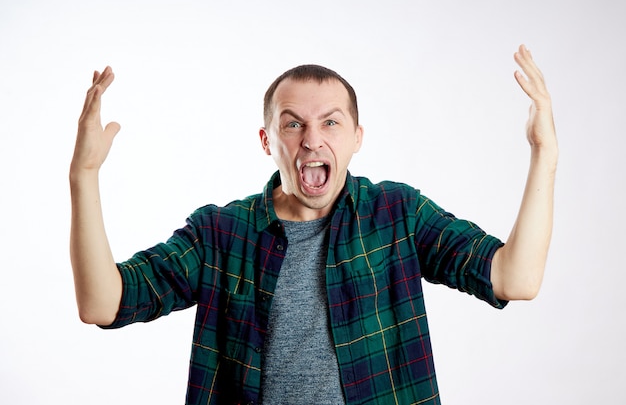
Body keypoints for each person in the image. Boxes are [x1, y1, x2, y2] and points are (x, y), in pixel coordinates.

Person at [69, 44, 558, 405]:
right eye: (292, 123)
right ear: (267, 140)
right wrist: (83, 175)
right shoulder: (220, 234)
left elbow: (515, 278)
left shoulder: (398, 214)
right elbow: (103, 303)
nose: (311, 140)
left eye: (330, 122)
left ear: (356, 137)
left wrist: (545, 155)